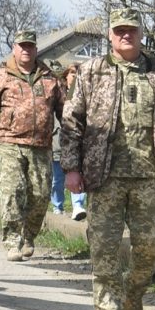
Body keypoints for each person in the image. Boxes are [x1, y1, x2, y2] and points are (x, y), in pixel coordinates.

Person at [61, 9, 155, 310]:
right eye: (119, 30)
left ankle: (134, 291)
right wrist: (72, 167)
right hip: (103, 177)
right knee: (103, 248)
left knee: (150, 247)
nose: (125, 35)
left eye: (131, 30)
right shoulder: (92, 72)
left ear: (140, 34)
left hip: (150, 176)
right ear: (109, 35)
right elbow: (71, 123)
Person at [0, 29, 64, 261]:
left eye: (30, 46)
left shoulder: (49, 77)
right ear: (14, 48)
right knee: (12, 192)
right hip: (10, 143)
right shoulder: (1, 76)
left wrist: (78, 137)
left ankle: (28, 236)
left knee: (41, 194)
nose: (26, 50)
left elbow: (66, 111)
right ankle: (12, 241)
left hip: (41, 145)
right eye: (22, 46)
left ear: (36, 49)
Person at [52, 64, 88, 220]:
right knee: (57, 179)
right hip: (57, 141)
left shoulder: (84, 94)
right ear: (65, 76)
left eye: (77, 73)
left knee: (78, 174)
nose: (74, 76)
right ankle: (57, 207)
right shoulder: (57, 93)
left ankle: (78, 206)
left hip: (78, 143)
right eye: (72, 73)